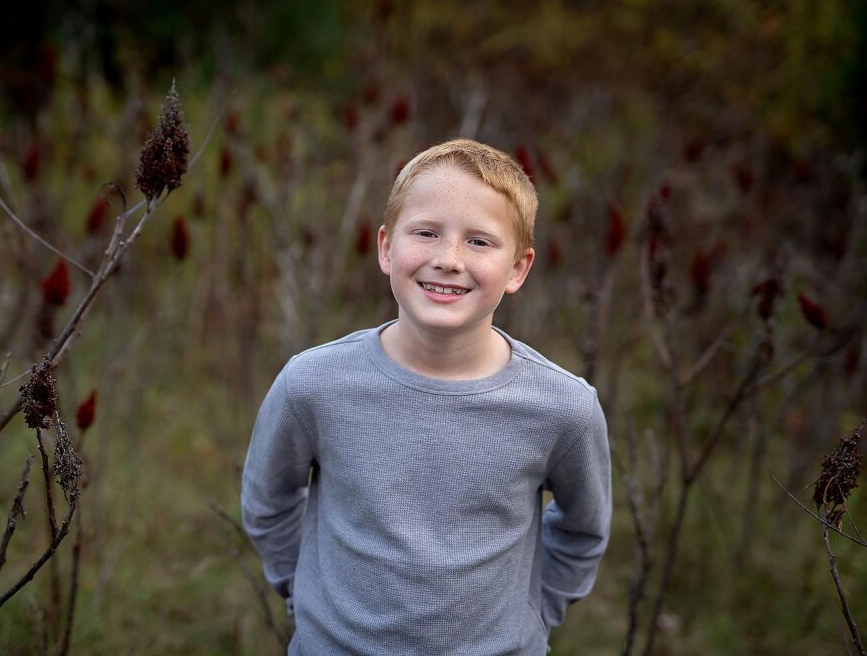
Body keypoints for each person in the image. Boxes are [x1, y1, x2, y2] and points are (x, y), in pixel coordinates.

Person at [241, 139, 611, 655]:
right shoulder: (313, 384)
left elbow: (583, 529)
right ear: (387, 247)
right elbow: (268, 502)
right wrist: (303, 592)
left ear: (518, 269)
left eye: (480, 242)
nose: (448, 260)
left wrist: (535, 613)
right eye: (426, 233)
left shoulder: (562, 407)